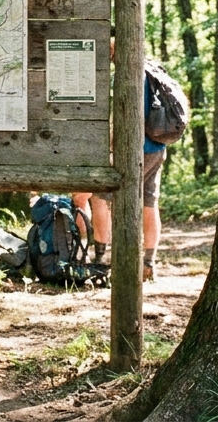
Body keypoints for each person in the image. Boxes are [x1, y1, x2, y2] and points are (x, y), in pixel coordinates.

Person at [72, 39, 168, 282]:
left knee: (101, 197)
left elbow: (124, 117)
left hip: (135, 148)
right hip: (157, 146)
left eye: (110, 53)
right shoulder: (154, 71)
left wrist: (114, 149)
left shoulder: (128, 75)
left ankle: (101, 260)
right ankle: (148, 263)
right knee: (149, 199)